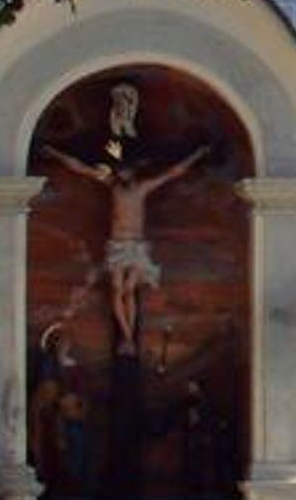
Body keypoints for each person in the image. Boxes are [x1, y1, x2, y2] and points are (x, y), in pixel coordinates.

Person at [40, 139, 210, 353]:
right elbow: (81, 168)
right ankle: (126, 336)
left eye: (125, 170)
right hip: (118, 245)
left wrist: (197, 154)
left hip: (136, 246)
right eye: (120, 170)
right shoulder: (112, 185)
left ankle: (129, 338)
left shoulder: (142, 188)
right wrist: (55, 153)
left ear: (132, 172)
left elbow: (173, 173)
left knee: (129, 291)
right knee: (117, 290)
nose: (121, 174)